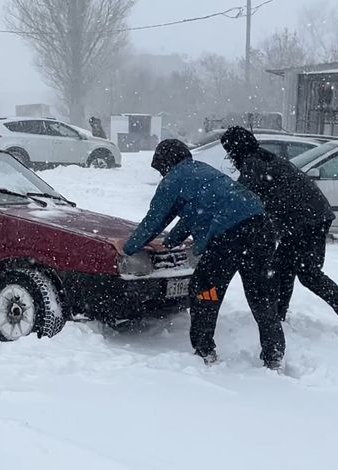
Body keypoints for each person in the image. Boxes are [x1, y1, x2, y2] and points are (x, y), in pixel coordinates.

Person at [121, 139, 285, 369]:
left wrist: (128, 248)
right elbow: (196, 211)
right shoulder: (202, 170)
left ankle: (204, 350)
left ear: (166, 163)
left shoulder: (173, 180)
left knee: (205, 290)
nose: (161, 174)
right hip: (261, 227)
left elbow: (154, 221)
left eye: (160, 168)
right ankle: (274, 352)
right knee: (260, 294)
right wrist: (171, 241)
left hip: (229, 236)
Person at [220, 126, 338, 341]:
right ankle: (279, 316)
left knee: (309, 274)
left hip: (307, 221)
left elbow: (240, 199)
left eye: (228, 151)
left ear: (235, 149)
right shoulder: (261, 157)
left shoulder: (253, 164)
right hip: (306, 219)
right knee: (282, 268)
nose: (229, 156)